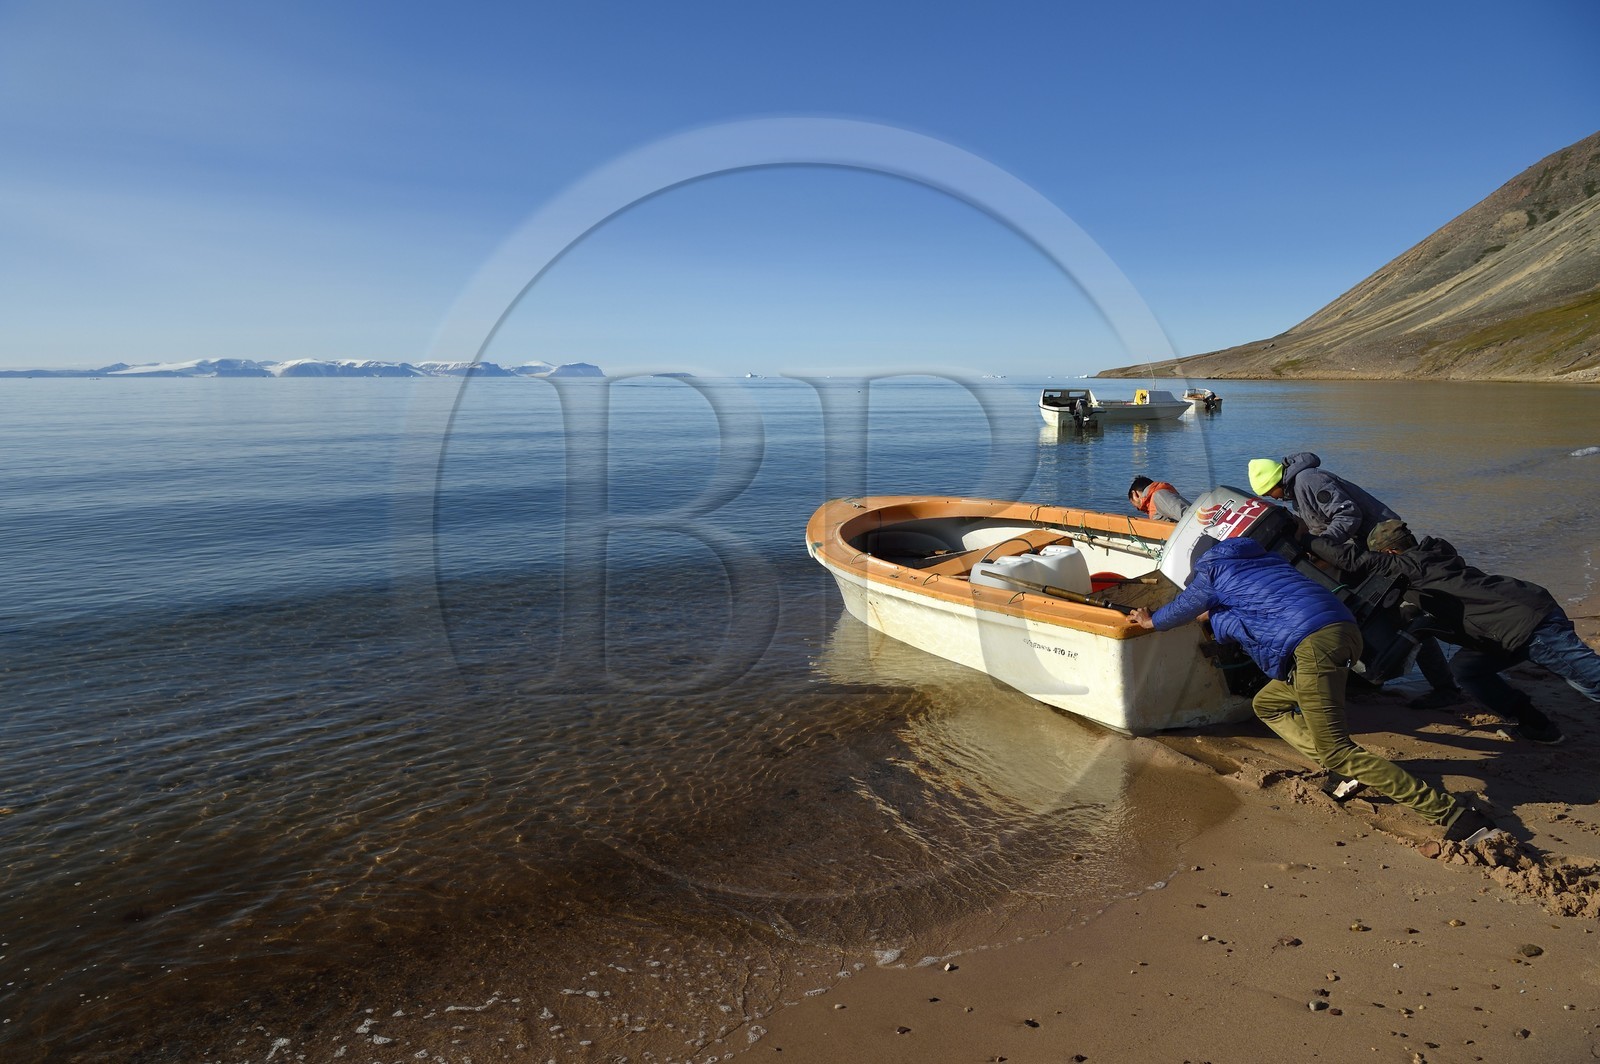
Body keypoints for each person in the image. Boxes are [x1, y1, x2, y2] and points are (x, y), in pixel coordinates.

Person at [1130, 535, 1492, 842]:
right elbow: (1260, 613)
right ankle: (1342, 770)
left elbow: (1184, 609)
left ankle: (1455, 817)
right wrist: (1217, 616)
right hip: (1346, 633)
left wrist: (1153, 620)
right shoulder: (1266, 562)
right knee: (1269, 702)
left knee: (1339, 750)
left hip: (1312, 646)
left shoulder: (1212, 569)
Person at [1317, 519, 1600, 745]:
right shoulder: (1433, 556)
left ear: (1391, 553)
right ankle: (1537, 726)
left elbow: (1352, 560)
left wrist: (1306, 537)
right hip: (1510, 619)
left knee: (1590, 680)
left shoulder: (1411, 567)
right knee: (1467, 669)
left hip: (1527, 623)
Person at [1247, 451, 1462, 710]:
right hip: (1367, 550)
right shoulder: (1300, 488)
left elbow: (1348, 514)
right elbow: (1322, 524)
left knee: (1409, 611)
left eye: (1269, 492)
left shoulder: (1308, 481)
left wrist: (1323, 545)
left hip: (1386, 545)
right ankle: (1381, 672)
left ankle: (1446, 687)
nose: (1271, 498)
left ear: (1275, 483)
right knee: (1376, 612)